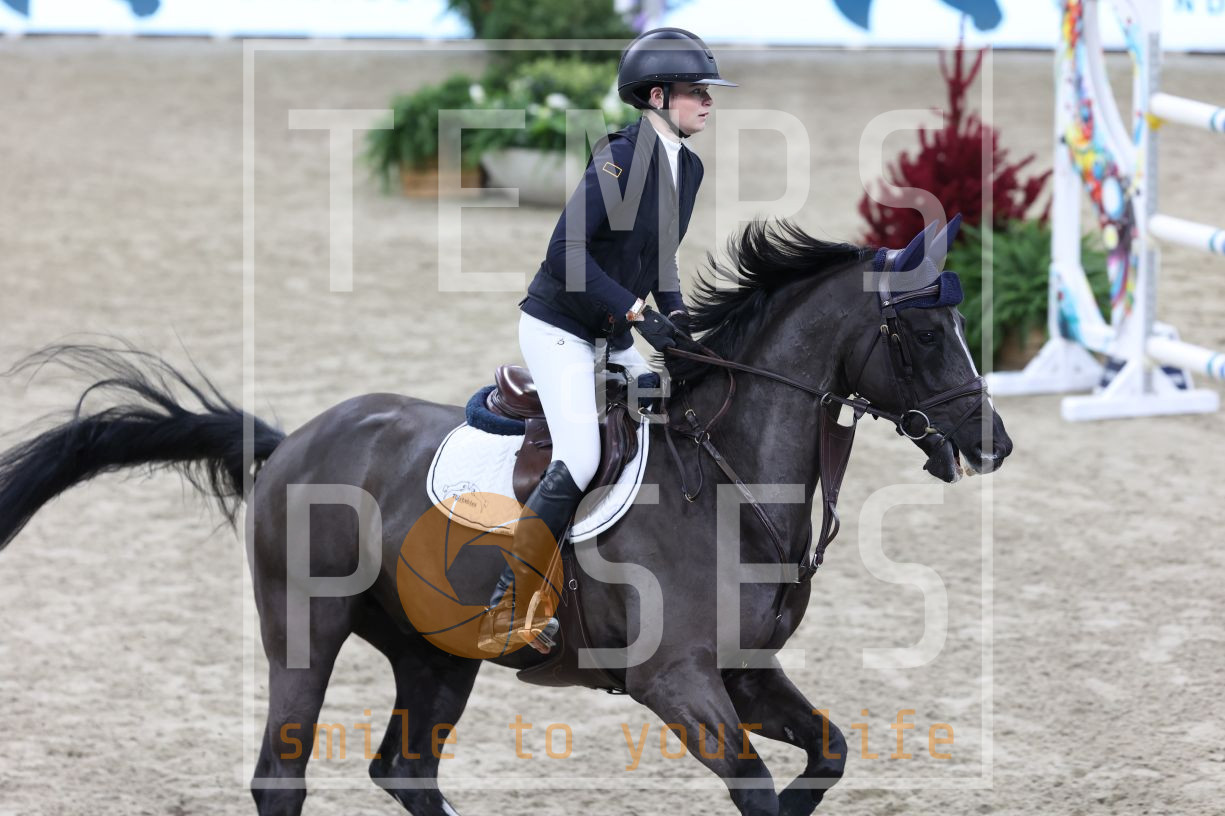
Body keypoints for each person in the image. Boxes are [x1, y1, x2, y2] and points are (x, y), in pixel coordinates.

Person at [477, 27, 736, 656]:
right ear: (657, 96)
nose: (708, 101)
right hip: (560, 330)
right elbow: (565, 254)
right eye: (696, 91)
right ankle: (508, 602)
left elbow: (663, 257)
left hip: (613, 332)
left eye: (708, 91)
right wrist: (636, 312)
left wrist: (678, 323)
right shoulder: (620, 158)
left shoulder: (689, 167)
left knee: (674, 417)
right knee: (582, 454)